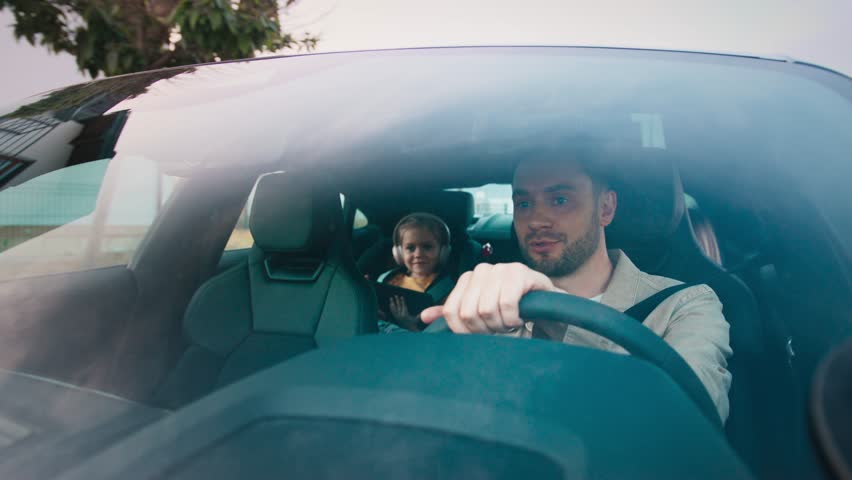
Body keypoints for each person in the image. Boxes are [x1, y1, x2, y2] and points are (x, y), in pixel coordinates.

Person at [421, 153, 733, 423]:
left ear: (606, 208)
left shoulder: (684, 305)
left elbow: (691, 420)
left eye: (560, 200)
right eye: (524, 203)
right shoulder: (489, 305)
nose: (536, 220)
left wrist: (557, 318)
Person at [378, 212, 455, 332]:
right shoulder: (387, 278)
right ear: (399, 253)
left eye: (427, 247)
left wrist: (408, 325)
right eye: (410, 248)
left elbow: (436, 338)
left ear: (443, 252)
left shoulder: (447, 290)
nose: (418, 254)